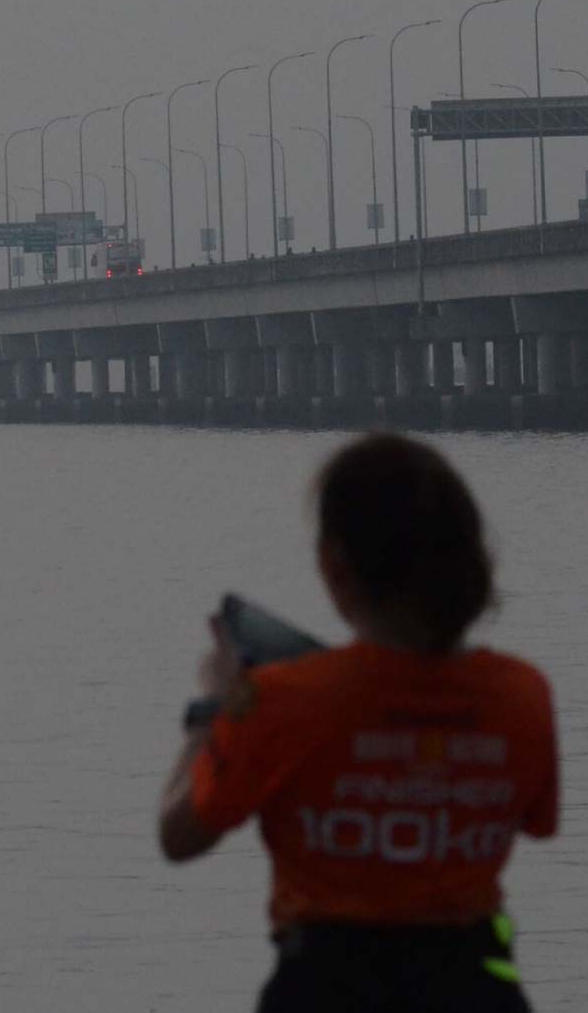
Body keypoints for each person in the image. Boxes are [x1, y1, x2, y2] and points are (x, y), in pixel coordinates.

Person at [157, 433, 559, 1012]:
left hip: (325, 990)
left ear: (334, 567)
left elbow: (179, 835)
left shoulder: (280, 700)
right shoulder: (523, 695)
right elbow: (537, 822)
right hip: (476, 990)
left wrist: (213, 709)